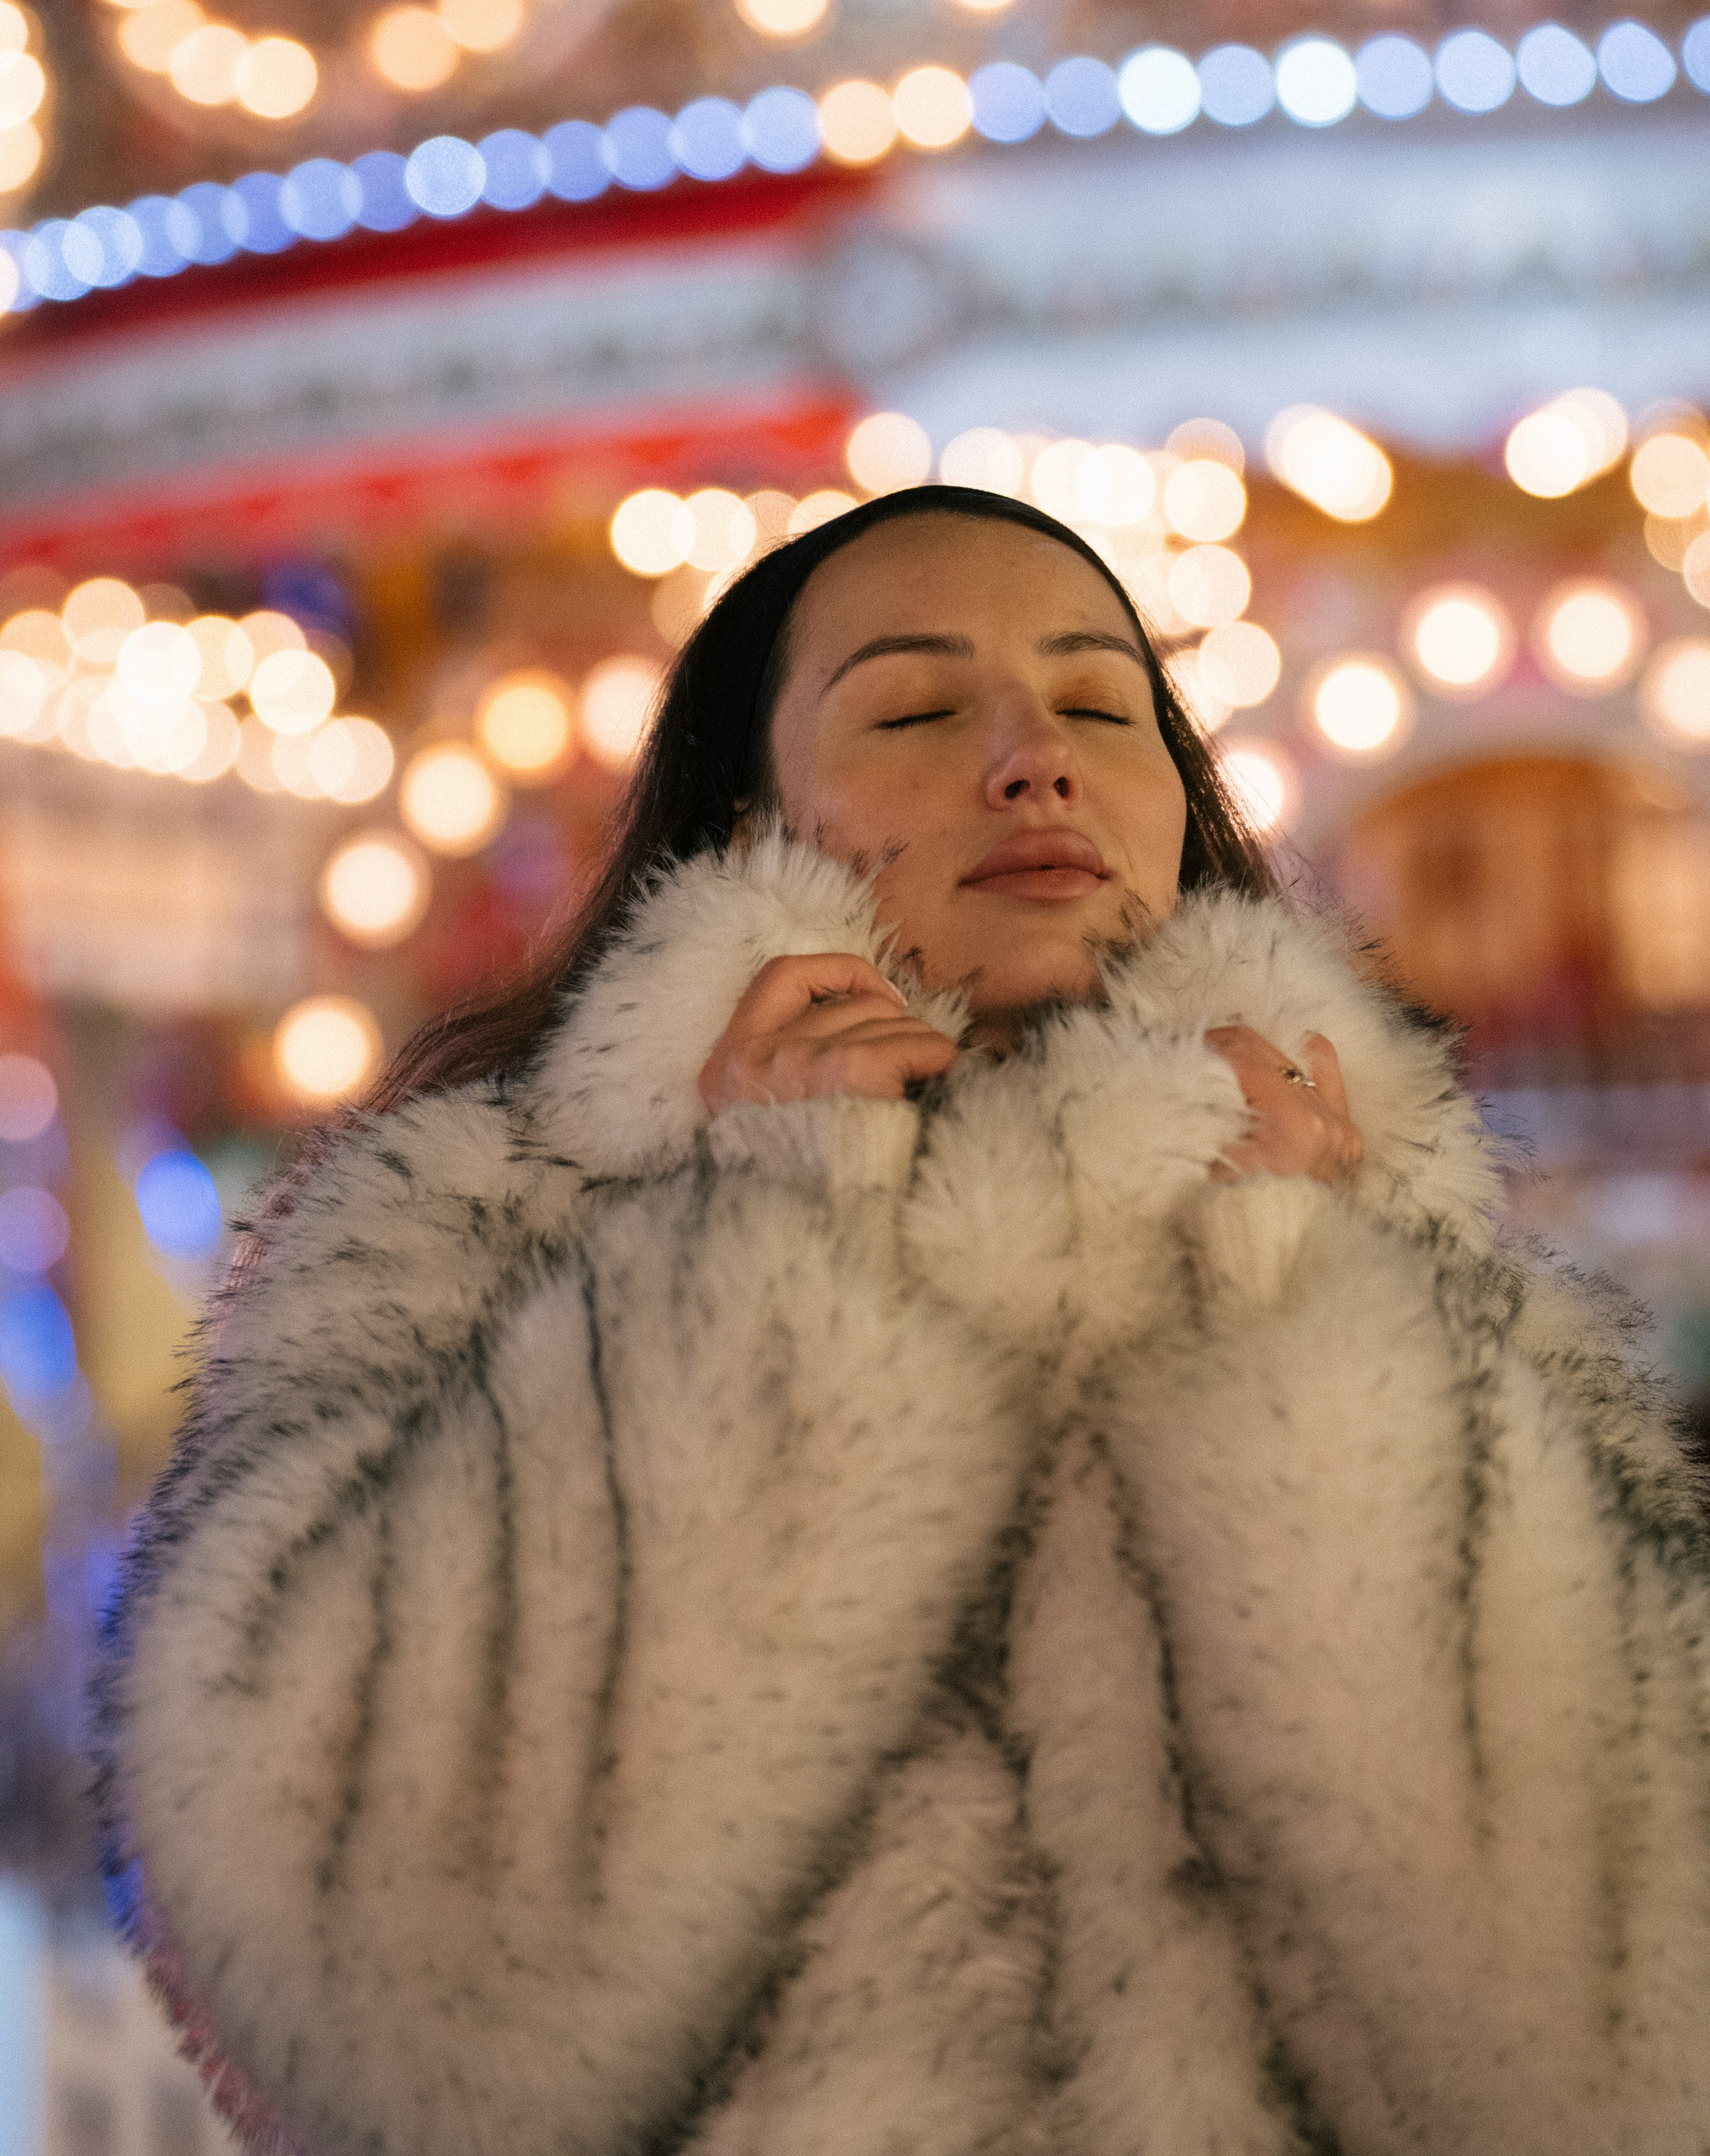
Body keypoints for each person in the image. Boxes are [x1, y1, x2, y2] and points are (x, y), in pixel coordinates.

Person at [96, 486, 1710, 2156]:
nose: (1035, 760)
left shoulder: (1411, 1254)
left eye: (1101, 704)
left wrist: (1312, 1328)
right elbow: (348, 1969)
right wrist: (746, 1264)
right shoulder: (475, 1229)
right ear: (743, 825)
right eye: (918, 708)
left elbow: (1609, 2038)